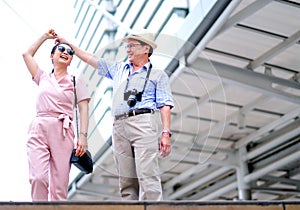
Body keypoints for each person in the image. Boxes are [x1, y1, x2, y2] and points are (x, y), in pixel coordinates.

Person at [56, 29, 174, 201]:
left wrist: (166, 133)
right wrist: (68, 43)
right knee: (126, 181)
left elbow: (165, 105)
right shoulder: (119, 69)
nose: (128, 49)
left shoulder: (158, 75)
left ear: (146, 49)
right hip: (119, 126)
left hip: (144, 122)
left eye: (132, 45)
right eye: (127, 46)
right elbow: (91, 58)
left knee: (147, 175)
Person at [22, 29, 91, 201]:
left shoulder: (76, 81)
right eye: (61, 49)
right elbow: (26, 54)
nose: (66, 52)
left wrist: (83, 137)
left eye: (70, 52)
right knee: (38, 178)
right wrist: (45, 37)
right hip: (39, 129)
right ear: (51, 56)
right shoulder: (42, 77)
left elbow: (83, 109)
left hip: (63, 131)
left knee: (59, 187)